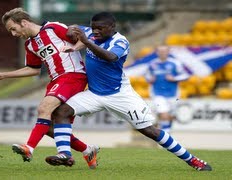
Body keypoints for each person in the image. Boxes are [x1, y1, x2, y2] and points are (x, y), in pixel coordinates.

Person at [45, 12, 212, 171]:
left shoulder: (120, 42)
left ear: (112, 27)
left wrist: (87, 42)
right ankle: (65, 154)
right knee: (61, 111)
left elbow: (110, 57)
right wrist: (64, 29)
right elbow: (70, 29)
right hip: (94, 94)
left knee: (149, 131)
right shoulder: (89, 33)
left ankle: (193, 160)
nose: (96, 31)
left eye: (100, 28)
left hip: (119, 94)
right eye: (93, 27)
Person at [0, 7, 99, 169]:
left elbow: (84, 38)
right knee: (49, 127)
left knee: (44, 108)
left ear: (23, 22)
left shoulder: (53, 28)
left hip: (73, 75)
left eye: (13, 29)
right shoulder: (30, 45)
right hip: (56, 80)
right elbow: (33, 69)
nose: (13, 34)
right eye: (10, 31)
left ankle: (29, 148)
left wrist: (75, 48)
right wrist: (3, 75)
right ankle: (87, 150)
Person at [145, 45, 190, 133]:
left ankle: (166, 130)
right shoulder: (152, 64)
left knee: (169, 116)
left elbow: (185, 75)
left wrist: (174, 78)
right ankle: (165, 137)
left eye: (164, 51)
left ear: (168, 52)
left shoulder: (175, 63)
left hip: (173, 94)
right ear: (157, 52)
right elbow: (147, 76)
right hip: (157, 93)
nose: (162, 53)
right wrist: (150, 79)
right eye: (160, 51)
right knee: (164, 114)